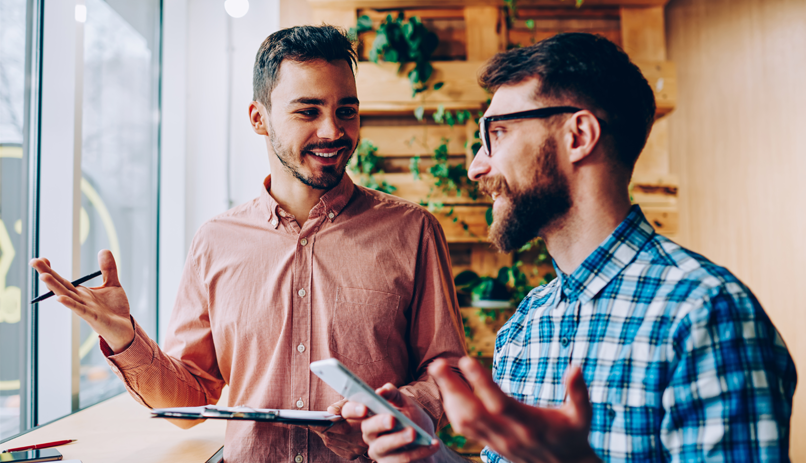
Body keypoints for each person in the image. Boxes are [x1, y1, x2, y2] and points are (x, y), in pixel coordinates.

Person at [343, 32, 797, 462]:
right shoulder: (527, 322)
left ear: (577, 136)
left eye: (496, 134)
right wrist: (429, 454)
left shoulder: (706, 312)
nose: (477, 167)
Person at [30, 25, 467, 463]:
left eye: (346, 111)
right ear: (259, 118)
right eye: (308, 111)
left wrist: (398, 411)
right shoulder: (215, 241)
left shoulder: (413, 231)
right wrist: (122, 335)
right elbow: (188, 401)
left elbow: (446, 374)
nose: (333, 130)